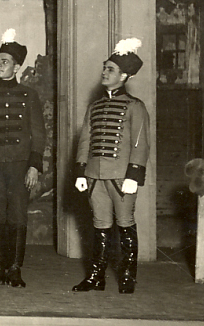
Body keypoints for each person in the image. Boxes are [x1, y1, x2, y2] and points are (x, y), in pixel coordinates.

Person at [73, 38, 149, 295]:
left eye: (110, 69)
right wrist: (81, 171)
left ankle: (127, 276)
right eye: (104, 68)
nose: (104, 72)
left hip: (121, 178)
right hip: (95, 177)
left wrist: (134, 175)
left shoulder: (135, 106)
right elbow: (85, 141)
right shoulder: (94, 107)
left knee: (125, 224)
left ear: (124, 76)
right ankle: (96, 277)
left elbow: (140, 143)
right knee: (100, 226)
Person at [0, 29, 45, 288]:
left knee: (17, 214)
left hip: (19, 165)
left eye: (4, 61)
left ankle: (14, 269)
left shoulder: (29, 96)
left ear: (17, 66)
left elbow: (38, 134)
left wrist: (34, 166)